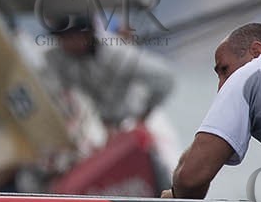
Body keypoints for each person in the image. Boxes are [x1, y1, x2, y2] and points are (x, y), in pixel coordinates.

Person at [170, 22, 261, 199]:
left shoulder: (249, 74)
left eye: (224, 69)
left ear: (256, 52)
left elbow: (191, 178)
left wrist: (172, 195)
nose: (221, 86)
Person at [42, 14, 174, 130]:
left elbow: (164, 78)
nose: (64, 43)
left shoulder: (117, 53)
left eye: (69, 37)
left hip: (137, 121)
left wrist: (143, 117)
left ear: (87, 35)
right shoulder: (57, 57)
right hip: (102, 125)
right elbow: (49, 88)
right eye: (61, 37)